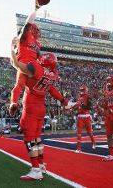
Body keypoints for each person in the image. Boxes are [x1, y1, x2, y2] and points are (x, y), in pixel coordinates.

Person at [10, 48, 69, 181]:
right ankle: (41, 165)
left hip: (31, 107)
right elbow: (52, 90)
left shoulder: (36, 68)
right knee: (37, 138)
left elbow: (15, 63)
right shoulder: (53, 74)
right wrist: (64, 101)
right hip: (41, 107)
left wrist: (13, 50)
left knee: (29, 139)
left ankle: (36, 169)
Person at [9, 0, 44, 116]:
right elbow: (28, 24)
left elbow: (40, 57)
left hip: (24, 66)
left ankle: (13, 102)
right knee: (33, 90)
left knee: (19, 85)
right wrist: (36, 9)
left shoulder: (36, 44)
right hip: (30, 67)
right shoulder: (24, 36)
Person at [65, 86, 96, 153]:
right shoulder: (78, 97)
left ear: (86, 90)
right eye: (81, 90)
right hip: (80, 116)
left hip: (86, 115)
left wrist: (82, 105)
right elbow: (78, 106)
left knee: (89, 132)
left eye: (83, 90)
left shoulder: (88, 96)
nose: (82, 91)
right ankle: (78, 148)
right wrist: (72, 109)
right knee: (79, 132)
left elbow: (90, 107)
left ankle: (93, 142)